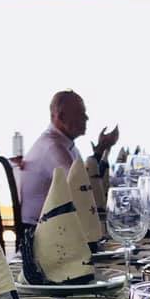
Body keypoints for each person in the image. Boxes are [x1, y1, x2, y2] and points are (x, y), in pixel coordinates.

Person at [20, 90, 118, 224]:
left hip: (57, 224)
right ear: (61, 117)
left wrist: (101, 150)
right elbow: (82, 191)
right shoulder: (53, 147)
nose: (86, 118)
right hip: (40, 231)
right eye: (80, 113)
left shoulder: (63, 143)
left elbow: (85, 184)